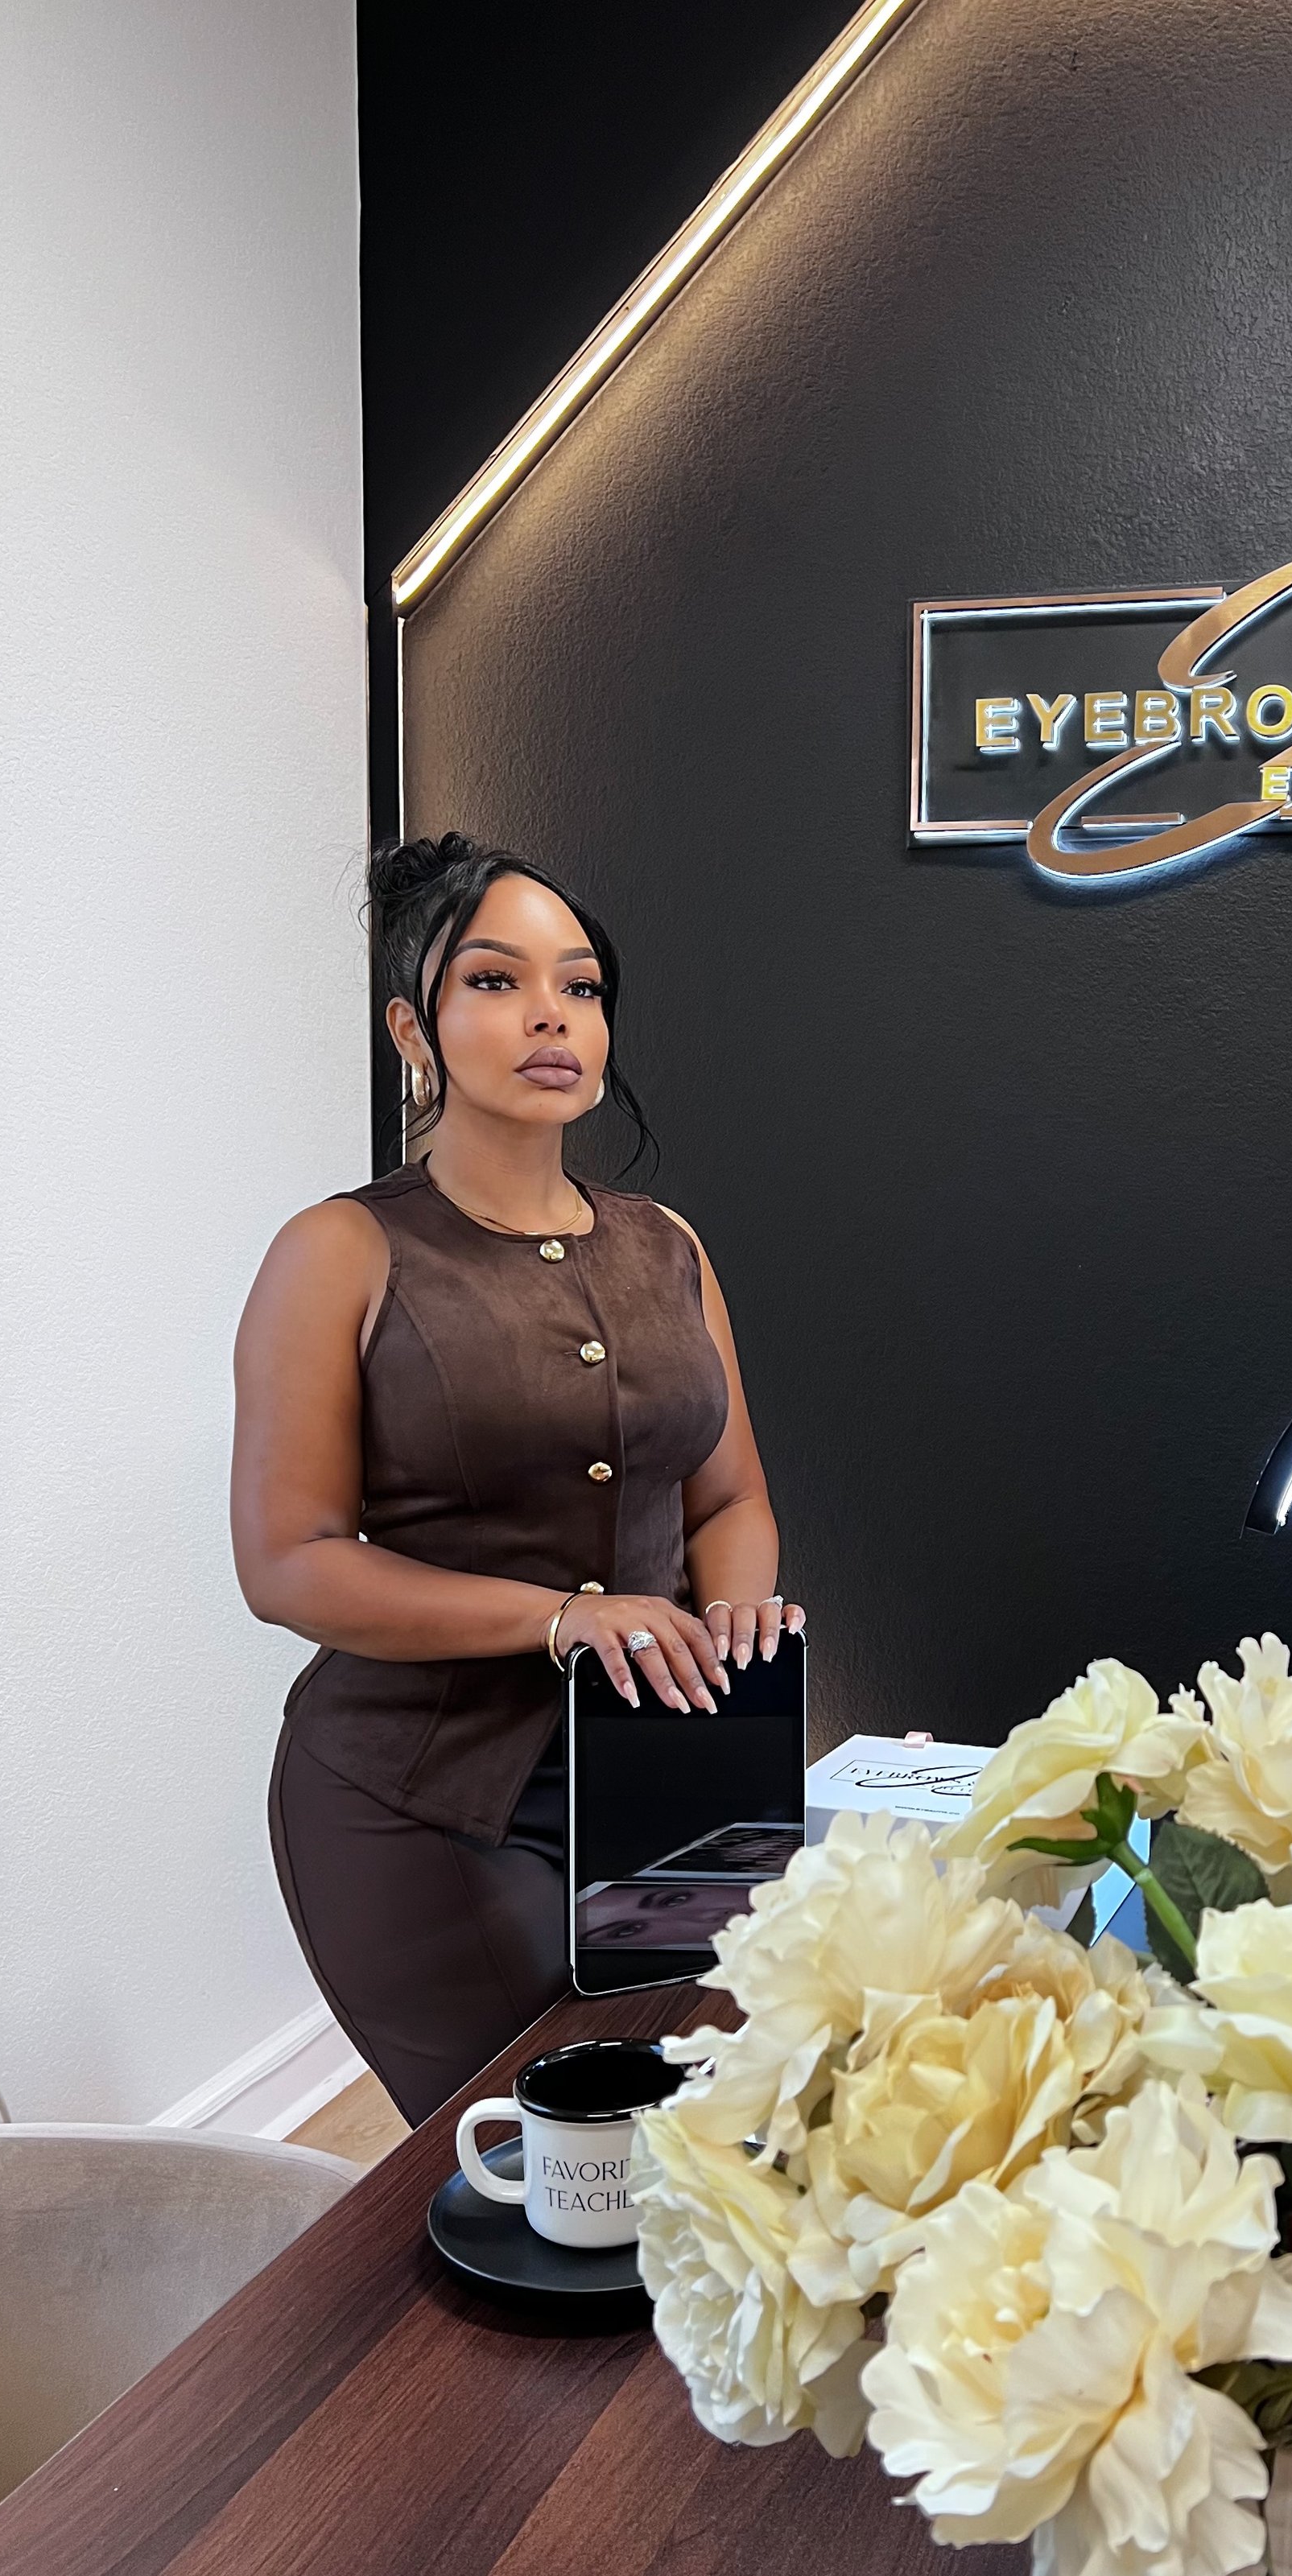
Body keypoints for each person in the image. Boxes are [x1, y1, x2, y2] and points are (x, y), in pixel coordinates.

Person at [232, 833, 802, 2125]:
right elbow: (288, 1561)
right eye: (495, 980)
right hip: (421, 1803)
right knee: (547, 2153)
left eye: (583, 985)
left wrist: (733, 1624)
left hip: (670, 1773)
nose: (552, 1013)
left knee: (700, 2127)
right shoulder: (338, 1251)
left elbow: (729, 1503)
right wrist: (560, 1619)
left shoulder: (668, 1246)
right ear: (412, 1028)